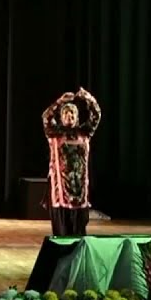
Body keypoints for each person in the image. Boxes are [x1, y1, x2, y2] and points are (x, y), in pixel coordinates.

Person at [42, 87, 102, 237]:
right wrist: (60, 101)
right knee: (62, 234)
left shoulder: (84, 133)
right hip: (60, 192)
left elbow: (96, 114)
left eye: (73, 114)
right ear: (61, 117)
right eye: (66, 114)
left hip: (80, 193)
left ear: (77, 117)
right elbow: (46, 117)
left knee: (79, 233)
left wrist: (88, 98)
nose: (70, 116)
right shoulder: (55, 134)